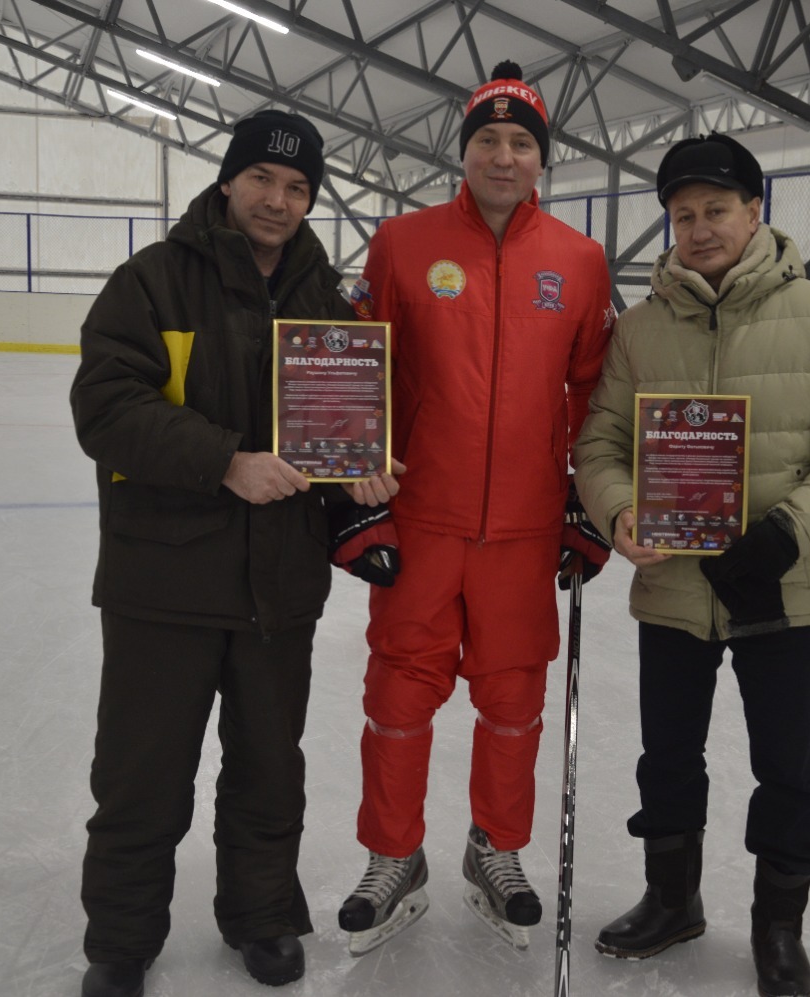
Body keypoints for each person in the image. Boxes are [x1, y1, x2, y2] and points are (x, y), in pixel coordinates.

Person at [70, 109, 398, 997]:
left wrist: (360, 472)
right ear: (228, 181)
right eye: (261, 179)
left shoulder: (327, 303)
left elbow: (336, 433)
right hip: (162, 581)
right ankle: (122, 939)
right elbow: (105, 407)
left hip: (277, 586)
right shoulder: (150, 283)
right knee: (141, 774)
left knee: (268, 769)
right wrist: (225, 461)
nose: (277, 200)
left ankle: (260, 916)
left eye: (297, 187)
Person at [573, 133, 810, 997]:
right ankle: (671, 899)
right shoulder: (641, 327)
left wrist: (788, 533)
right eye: (683, 215)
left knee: (788, 768)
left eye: (716, 209)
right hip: (673, 587)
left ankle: (778, 926)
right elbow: (600, 443)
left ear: (755, 212)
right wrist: (620, 510)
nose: (700, 228)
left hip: (783, 588)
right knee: (668, 757)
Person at [335, 59, 614, 954]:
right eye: (487, 139)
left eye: (520, 142)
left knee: (514, 699)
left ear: (542, 158)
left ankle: (496, 847)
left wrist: (586, 504)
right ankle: (394, 856)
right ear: (463, 151)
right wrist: (358, 498)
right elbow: (358, 370)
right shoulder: (402, 242)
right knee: (398, 693)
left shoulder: (580, 260)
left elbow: (595, 392)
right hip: (422, 516)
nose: (503, 156)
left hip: (525, 529)